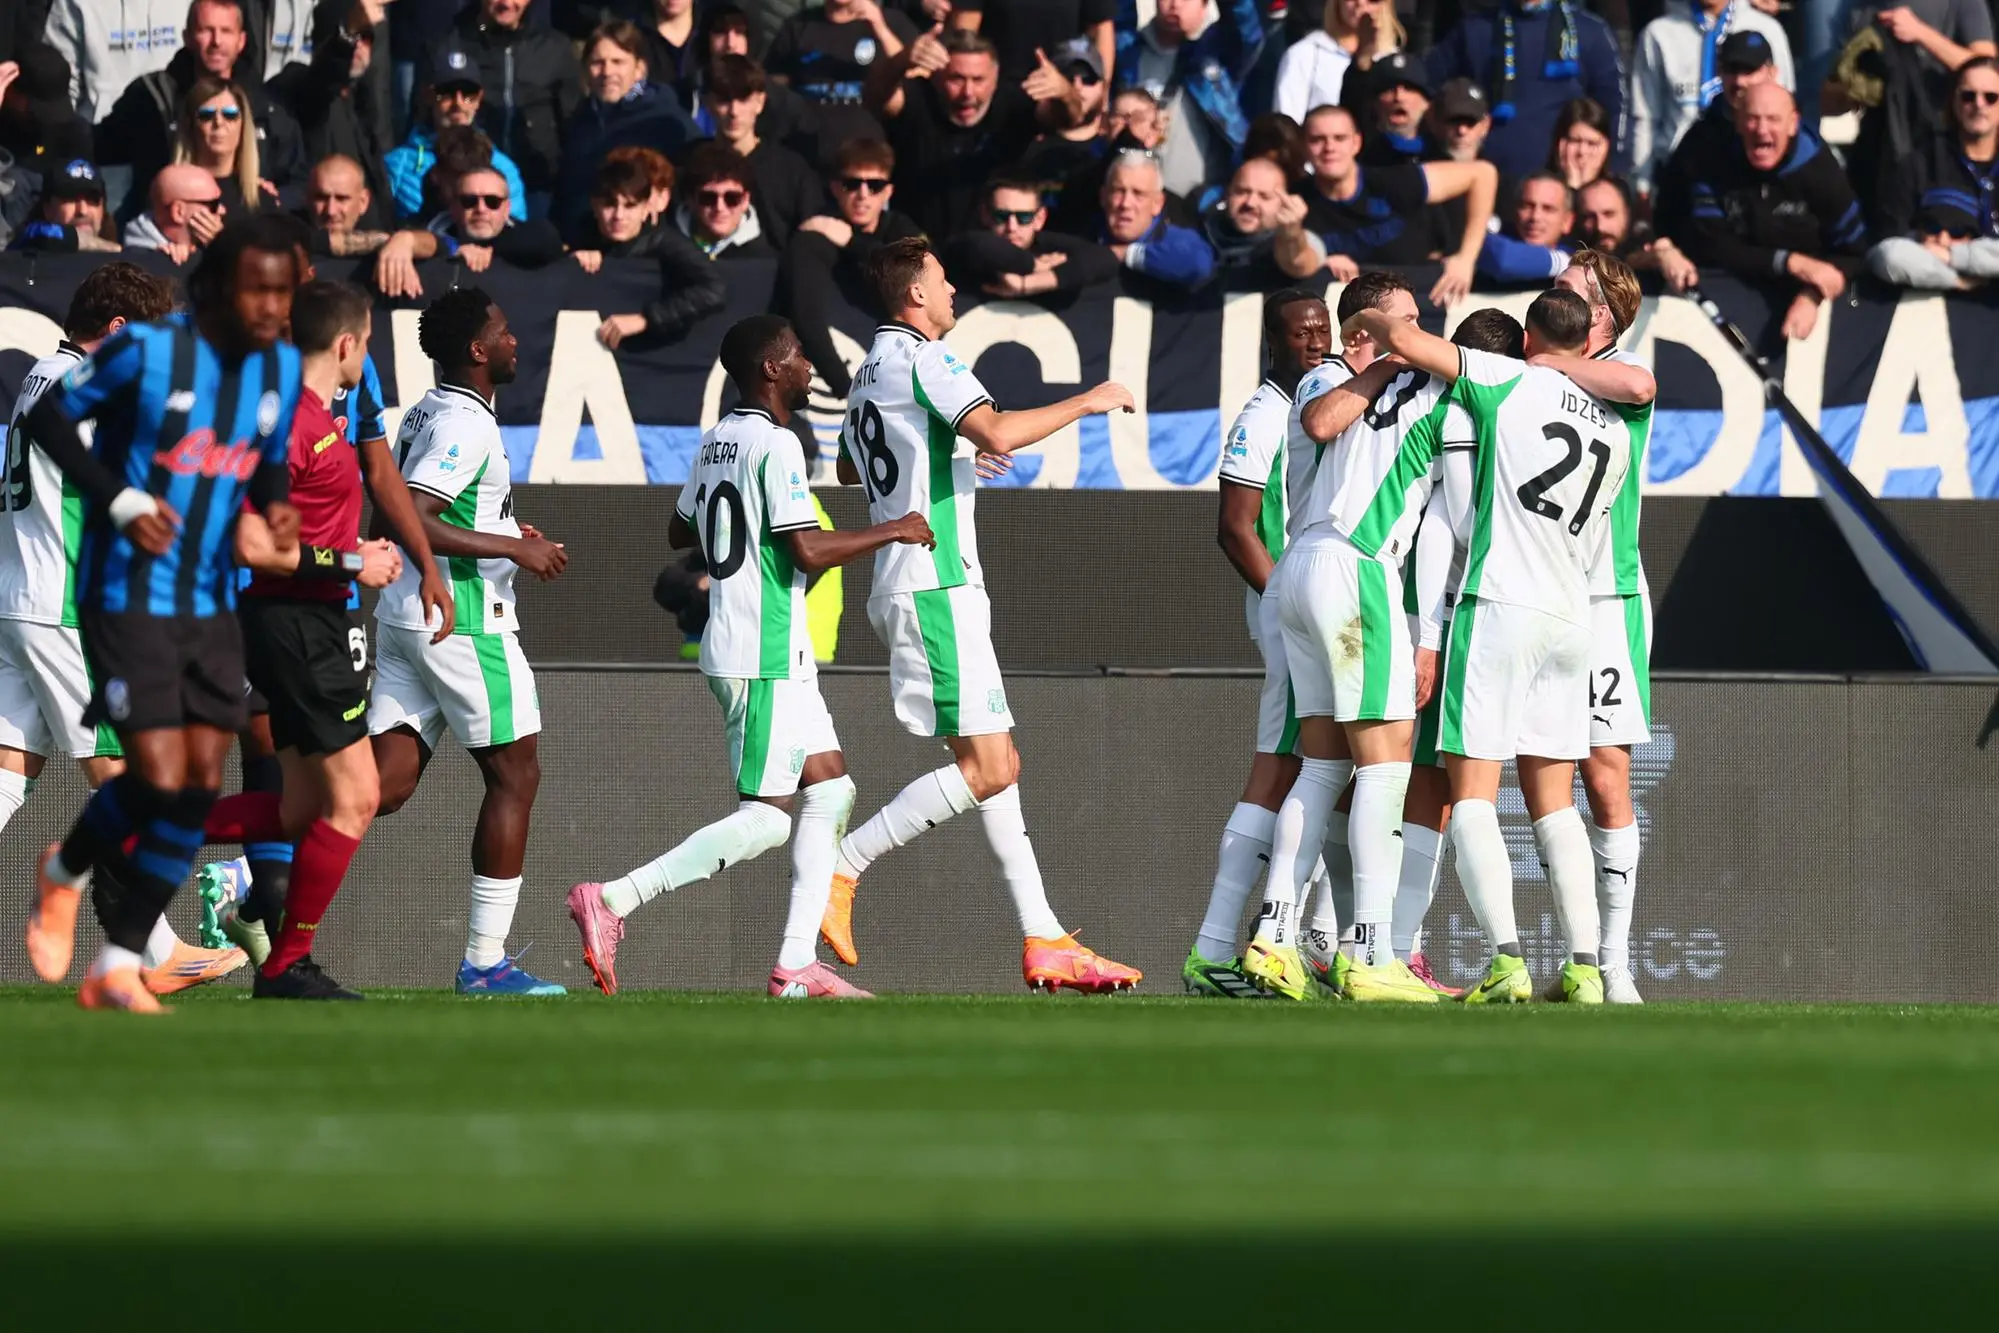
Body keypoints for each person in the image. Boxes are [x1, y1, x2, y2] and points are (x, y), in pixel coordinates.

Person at [567, 315, 935, 999]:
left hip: (760, 644)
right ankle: (614, 898)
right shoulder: (777, 442)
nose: (805, 367)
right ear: (770, 368)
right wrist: (894, 529)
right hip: (760, 648)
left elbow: (680, 525)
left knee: (831, 788)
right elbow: (807, 550)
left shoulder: (716, 440)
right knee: (766, 818)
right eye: (797, 356)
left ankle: (795, 965)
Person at [819, 236, 1143, 992]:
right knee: (991, 767)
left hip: (915, 579)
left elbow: (849, 465)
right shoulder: (927, 358)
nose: (953, 287)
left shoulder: (868, 372)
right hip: (934, 581)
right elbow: (995, 428)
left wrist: (951, 455)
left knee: (996, 769)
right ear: (915, 297)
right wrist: (1088, 399)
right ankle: (843, 866)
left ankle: (1044, 935)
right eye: (942, 277)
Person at [20, 214, 306, 1013]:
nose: (273, 306)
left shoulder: (275, 368)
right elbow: (47, 419)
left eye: (284, 291)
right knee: (155, 770)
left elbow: (268, 459)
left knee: (197, 784)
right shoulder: (143, 352)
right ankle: (64, 872)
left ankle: (117, 962)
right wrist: (118, 496)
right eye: (260, 287)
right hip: (121, 594)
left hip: (209, 599)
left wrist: (276, 509)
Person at [1341, 288, 1637, 1006]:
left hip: (1500, 603)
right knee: (1554, 801)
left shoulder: (1506, 378)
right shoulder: (1617, 427)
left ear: (1530, 336)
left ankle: (1506, 958)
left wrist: (1376, 322)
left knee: (1469, 789)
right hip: (1575, 618)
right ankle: (1585, 966)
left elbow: (1407, 343)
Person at [368, 286, 570, 997]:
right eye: (505, 330)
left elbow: (413, 505)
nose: (516, 341)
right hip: (463, 621)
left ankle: (238, 871)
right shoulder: (466, 424)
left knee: (378, 787)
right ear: (478, 350)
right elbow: (413, 519)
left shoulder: (428, 409)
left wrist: (509, 532)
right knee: (516, 775)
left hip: (403, 616)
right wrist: (509, 552)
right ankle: (486, 962)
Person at [215, 280, 403, 1000]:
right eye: (367, 344)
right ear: (346, 344)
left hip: (310, 618)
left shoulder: (319, 415)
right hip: (292, 623)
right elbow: (251, 544)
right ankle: (285, 963)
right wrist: (355, 559)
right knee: (356, 797)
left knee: (299, 810)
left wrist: (354, 551)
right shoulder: (288, 420)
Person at [1182, 289, 1331, 998]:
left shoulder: (1315, 406)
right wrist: (1282, 597)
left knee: (1327, 768)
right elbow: (1234, 524)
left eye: (1321, 328)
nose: (1313, 340)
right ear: (1272, 340)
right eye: (1299, 332)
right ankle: (1222, 943)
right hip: (1288, 610)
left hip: (1311, 607)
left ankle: (1315, 941)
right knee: (1290, 765)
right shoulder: (1265, 413)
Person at [1546, 249, 1660, 1006]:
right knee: (1528, 775)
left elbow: (1640, 383)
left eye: (1567, 294)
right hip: (1531, 593)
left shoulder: (1612, 373)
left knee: (1602, 772)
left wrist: (1549, 365)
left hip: (1605, 597)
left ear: (1602, 315)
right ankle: (1575, 957)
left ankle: (1613, 962)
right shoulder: (1530, 367)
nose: (1550, 300)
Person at [1673, 83, 1867, 340]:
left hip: (1804, 315)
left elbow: (1856, 252)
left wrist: (1812, 294)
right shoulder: (1713, 164)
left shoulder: (1822, 174)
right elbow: (1712, 246)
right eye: (1753, 118)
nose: (1762, 130)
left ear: (1793, 123)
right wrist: (1790, 262)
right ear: (1738, 121)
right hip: (1725, 305)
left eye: (1773, 119)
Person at [93, 0, 304, 212]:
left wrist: (273, 198)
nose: (217, 41)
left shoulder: (267, 107)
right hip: (164, 231)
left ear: (241, 41)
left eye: (226, 31)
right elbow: (98, 147)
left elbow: (299, 180)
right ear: (187, 37)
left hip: (245, 230)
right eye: (206, 30)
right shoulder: (150, 98)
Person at [1299, 105, 1494, 305]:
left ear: (1356, 143)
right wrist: (1319, 261)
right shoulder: (1295, 201)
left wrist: (1466, 259)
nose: (1329, 148)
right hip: (1347, 318)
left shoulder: (1391, 181)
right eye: (1317, 140)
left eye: (1339, 138)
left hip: (1419, 304)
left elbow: (1483, 175)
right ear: (1303, 146)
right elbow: (1285, 258)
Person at [866, 27, 1046, 240]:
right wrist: (900, 61)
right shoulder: (918, 99)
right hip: (918, 249)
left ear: (995, 78)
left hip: (995, 248)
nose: (968, 92)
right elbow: (876, 97)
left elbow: (1069, 119)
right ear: (936, 77)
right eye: (956, 79)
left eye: (978, 80)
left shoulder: (1012, 105)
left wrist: (1065, 94)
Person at [1425, 0, 1628, 181]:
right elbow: (1424, 85)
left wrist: (1614, 168)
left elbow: (1615, 106)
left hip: (1562, 183)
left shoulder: (1589, 31)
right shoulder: (1476, 29)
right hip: (1487, 180)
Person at [781, 137, 920, 400]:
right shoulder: (814, 237)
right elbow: (806, 317)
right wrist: (846, 389)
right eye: (852, 184)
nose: (863, 194)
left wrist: (851, 241)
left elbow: (920, 277)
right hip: (837, 384)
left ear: (888, 192)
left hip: (904, 374)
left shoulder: (901, 228)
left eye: (875, 185)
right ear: (835, 188)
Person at [1629, 0, 1795, 197]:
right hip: (1678, 175)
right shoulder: (1658, 33)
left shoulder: (1767, 29)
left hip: (1751, 178)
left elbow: (1784, 105)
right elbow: (1644, 117)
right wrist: (1642, 186)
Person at [554, 20, 698, 246]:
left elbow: (694, 173)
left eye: (618, 62)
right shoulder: (579, 119)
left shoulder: (665, 118)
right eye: (597, 63)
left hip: (643, 251)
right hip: (582, 247)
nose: (607, 72)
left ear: (640, 69)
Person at [573, 149, 728, 349]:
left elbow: (714, 290)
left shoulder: (666, 242)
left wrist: (646, 319)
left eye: (630, 206)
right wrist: (574, 260)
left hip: (655, 362)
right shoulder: (582, 236)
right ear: (594, 205)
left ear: (646, 208)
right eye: (610, 205)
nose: (619, 215)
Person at [1869, 56, 1999, 289]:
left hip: (1956, 259)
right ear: (1954, 101)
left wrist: (1953, 255)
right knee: (1890, 255)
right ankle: (1965, 284)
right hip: (1932, 272)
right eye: (1969, 96)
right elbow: (1889, 240)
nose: (1979, 105)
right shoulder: (1921, 159)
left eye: (1991, 98)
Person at [439, 0, 582, 212]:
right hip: (473, 189)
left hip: (539, 186)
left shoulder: (555, 47)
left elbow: (572, 123)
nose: (506, 3)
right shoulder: (453, 42)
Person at [1114, 0, 1263, 199]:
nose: (1175, 4)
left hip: (1198, 201)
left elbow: (1246, 29)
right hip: (1131, 198)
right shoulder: (1128, 52)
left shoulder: (1219, 55)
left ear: (1205, 5)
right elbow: (1113, 16)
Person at [265, 2, 395, 223]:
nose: (358, 47)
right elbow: (324, 76)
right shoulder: (297, 86)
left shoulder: (364, 102)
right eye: (354, 39)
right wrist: (348, 32)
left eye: (365, 38)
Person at [1652, 29, 1782, 228]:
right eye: (1731, 70)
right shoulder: (1699, 140)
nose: (1739, 81)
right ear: (1719, 72)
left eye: (1749, 71)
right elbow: (1669, 213)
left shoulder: (1795, 136)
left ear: (1772, 73)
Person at [766, 0, 917, 169]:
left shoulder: (893, 22)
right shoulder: (797, 25)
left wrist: (880, 27)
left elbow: (912, 73)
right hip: (807, 157)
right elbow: (774, 86)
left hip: (868, 163)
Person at [373, 166, 565, 299]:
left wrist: (489, 250)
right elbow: (422, 238)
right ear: (454, 207)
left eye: (492, 202)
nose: (481, 209)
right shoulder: (430, 228)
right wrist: (403, 241)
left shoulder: (531, 234)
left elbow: (549, 240)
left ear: (507, 208)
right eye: (469, 201)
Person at [384, 48, 527, 223]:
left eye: (468, 94)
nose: (458, 103)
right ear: (429, 96)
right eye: (446, 93)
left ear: (479, 99)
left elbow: (515, 229)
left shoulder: (503, 167)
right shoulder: (395, 164)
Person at [699, 54, 823, 252]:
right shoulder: (689, 164)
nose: (734, 111)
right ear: (707, 103)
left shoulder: (792, 170)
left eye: (743, 99)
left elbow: (810, 240)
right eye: (724, 100)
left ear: (760, 103)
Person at [946, 175, 1119, 297]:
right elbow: (979, 245)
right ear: (985, 215)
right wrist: (1037, 266)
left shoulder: (1049, 244)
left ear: (1040, 218)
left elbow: (1106, 258)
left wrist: (1027, 284)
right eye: (1001, 216)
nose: (1012, 227)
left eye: (1024, 218)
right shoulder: (966, 246)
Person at [1099, 150, 1216, 290]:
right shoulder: (1085, 234)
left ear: (1157, 203)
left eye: (1138, 194)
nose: (1125, 203)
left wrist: (1124, 254)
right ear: (1104, 196)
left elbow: (1198, 263)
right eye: (1118, 191)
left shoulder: (1177, 241)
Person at [1274, 0, 1402, 124]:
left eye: (1373, 0)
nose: (1360, 3)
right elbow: (1286, 124)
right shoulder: (1304, 54)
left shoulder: (1395, 59)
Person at [1201, 156, 1326, 281]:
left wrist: (1291, 233)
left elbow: (1299, 262)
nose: (1250, 203)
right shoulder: (1203, 227)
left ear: (1282, 204)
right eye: (1242, 192)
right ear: (1228, 194)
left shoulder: (1296, 238)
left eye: (1264, 196)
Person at [1577, 176, 1700, 291]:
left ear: (1627, 214)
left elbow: (1633, 258)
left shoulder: (1644, 252)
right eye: (1589, 217)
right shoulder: (1568, 260)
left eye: (1609, 214)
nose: (1600, 227)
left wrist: (1665, 255)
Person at [172, 76, 271, 217]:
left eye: (230, 115)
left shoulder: (261, 199)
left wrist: (220, 238)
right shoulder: (168, 192)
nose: (218, 122)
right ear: (190, 124)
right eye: (206, 115)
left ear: (243, 125)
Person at [950, 0, 1115, 83]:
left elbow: (1101, 30)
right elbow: (965, 34)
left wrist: (1100, 95)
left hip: (1067, 96)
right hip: (998, 92)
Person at [674, 143, 773, 257]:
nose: (719, 207)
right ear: (690, 199)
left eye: (732, 198)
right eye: (708, 198)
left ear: (745, 200)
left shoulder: (766, 261)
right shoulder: (662, 253)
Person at [1477, 170, 1575, 281]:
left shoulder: (1576, 260)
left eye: (1548, 209)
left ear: (1567, 221)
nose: (1535, 217)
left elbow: (1506, 260)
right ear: (1514, 211)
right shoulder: (1492, 241)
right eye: (1527, 206)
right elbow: (1503, 258)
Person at [7, 158, 120, 253]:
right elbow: (37, 233)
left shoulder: (122, 265)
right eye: (70, 198)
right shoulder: (27, 247)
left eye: (92, 199)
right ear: (48, 209)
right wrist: (104, 247)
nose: (82, 211)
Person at [122, 161, 226, 261]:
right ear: (178, 212)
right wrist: (162, 262)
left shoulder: (213, 248)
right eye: (213, 204)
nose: (222, 210)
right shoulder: (138, 263)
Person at [1547, 96, 1617, 193]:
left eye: (1592, 144)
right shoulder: (1541, 188)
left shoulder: (1618, 191)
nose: (1582, 151)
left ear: (1605, 146)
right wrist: (1572, 186)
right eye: (1575, 141)